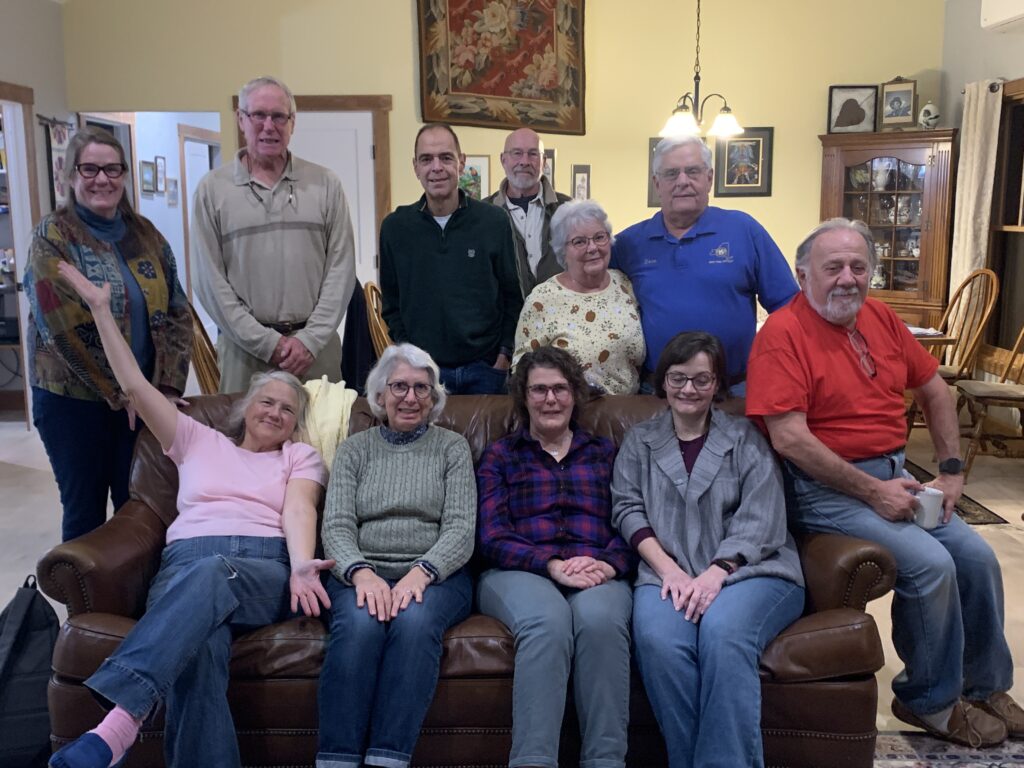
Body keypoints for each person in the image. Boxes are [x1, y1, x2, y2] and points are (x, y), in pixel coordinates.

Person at [746, 218, 1024, 748]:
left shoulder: (881, 318)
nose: (847, 278)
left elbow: (934, 390)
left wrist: (950, 471)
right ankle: (929, 700)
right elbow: (790, 440)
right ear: (803, 276)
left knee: (978, 557)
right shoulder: (781, 335)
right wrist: (874, 493)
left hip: (897, 476)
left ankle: (986, 687)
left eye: (858, 267)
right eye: (833, 267)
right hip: (822, 488)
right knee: (932, 565)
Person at [48, 261, 332, 768]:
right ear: (246, 405)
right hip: (184, 569)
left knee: (213, 573)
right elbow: (136, 387)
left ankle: (118, 725)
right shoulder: (196, 438)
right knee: (197, 653)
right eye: (267, 401)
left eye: (288, 409)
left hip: (262, 570)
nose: (274, 412)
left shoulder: (299, 457)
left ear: (296, 424)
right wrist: (101, 311)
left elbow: (299, 508)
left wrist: (302, 565)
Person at [610, 330, 804, 768]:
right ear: (663, 381)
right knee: (659, 642)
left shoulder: (745, 437)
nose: (689, 389)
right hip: (667, 572)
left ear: (717, 384)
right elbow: (626, 509)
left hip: (751, 571)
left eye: (701, 379)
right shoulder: (639, 440)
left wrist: (718, 572)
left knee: (724, 633)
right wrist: (670, 571)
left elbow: (763, 516)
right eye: (678, 378)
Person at [23, 125, 191, 542]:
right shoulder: (53, 237)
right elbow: (63, 328)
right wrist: (120, 392)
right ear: (71, 176)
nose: (102, 179)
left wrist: (166, 388)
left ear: (124, 175)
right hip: (73, 403)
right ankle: (82, 587)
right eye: (90, 169)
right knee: (85, 511)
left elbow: (177, 311)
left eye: (112, 169)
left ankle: (135, 585)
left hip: (144, 399)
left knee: (141, 505)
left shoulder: (146, 235)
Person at [476, 346, 635, 768]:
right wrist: (550, 565)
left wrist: (609, 563)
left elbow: (631, 521)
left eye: (560, 389)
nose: (551, 399)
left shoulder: (605, 453)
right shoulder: (501, 455)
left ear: (575, 394)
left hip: (596, 568)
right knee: (547, 623)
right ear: (523, 396)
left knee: (600, 622)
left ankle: (605, 761)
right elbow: (491, 535)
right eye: (539, 390)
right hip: (518, 570)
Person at [318, 343, 475, 768]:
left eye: (422, 388)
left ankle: (387, 758)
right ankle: (337, 759)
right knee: (359, 626)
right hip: (361, 571)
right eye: (399, 387)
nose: (410, 397)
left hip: (437, 575)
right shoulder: (354, 449)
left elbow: (460, 528)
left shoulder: (452, 448)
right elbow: (336, 525)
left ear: (434, 397)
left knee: (414, 622)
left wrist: (422, 572)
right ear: (379, 395)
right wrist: (361, 573)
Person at [193, 75, 356, 393]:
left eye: (279, 116)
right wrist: (267, 343)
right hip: (244, 356)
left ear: (292, 122)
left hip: (316, 353)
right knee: (246, 428)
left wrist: (309, 341)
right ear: (241, 119)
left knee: (324, 427)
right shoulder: (212, 191)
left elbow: (341, 270)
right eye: (259, 115)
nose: (269, 126)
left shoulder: (326, 185)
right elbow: (210, 283)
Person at [611, 135, 797, 395]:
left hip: (734, 389)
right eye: (671, 173)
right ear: (657, 183)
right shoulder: (628, 243)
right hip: (657, 391)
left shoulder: (744, 230)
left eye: (693, 171)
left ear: (709, 178)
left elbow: (788, 307)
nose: (682, 181)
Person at [379, 123, 522, 395]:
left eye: (446, 157)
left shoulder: (493, 222)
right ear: (415, 167)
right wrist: (409, 355)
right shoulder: (395, 228)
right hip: (423, 373)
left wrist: (503, 356)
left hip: (486, 371)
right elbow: (391, 305)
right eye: (426, 159)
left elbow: (512, 297)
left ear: (461, 162)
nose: (436, 167)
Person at [513, 200, 645, 394]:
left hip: (628, 408)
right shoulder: (542, 299)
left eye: (599, 237)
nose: (592, 248)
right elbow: (521, 370)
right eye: (579, 241)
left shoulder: (625, 284)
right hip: (569, 409)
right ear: (562, 250)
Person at [484, 127, 570, 295]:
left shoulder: (569, 210)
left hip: (561, 309)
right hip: (504, 312)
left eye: (533, 154)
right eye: (517, 153)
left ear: (543, 161)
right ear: (503, 160)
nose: (524, 161)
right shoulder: (483, 214)